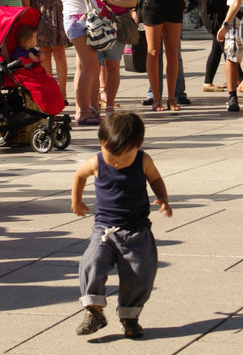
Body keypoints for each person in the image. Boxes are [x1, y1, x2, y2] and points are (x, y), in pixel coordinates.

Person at [71, 111, 172, 338]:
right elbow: (79, 176)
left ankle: (129, 316)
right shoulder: (95, 161)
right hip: (105, 228)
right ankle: (94, 311)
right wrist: (76, 201)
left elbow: (155, 179)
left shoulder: (143, 160)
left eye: (125, 158)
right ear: (101, 143)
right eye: (111, 157)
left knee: (140, 273)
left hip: (137, 229)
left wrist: (163, 199)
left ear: (139, 145)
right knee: (91, 262)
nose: (117, 163)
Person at [53, 0, 100, 125]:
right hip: (75, 19)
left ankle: (85, 107)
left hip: (88, 17)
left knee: (84, 65)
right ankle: (83, 111)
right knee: (91, 65)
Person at [90, 0, 136, 112]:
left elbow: (132, 0)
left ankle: (109, 103)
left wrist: (112, 0)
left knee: (113, 65)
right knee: (93, 67)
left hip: (116, 24)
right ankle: (94, 102)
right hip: (95, 25)